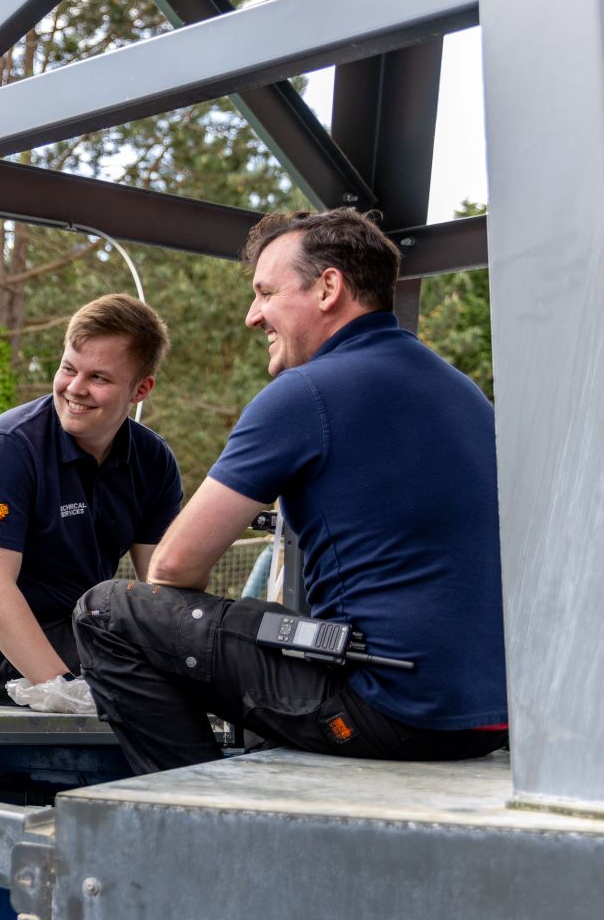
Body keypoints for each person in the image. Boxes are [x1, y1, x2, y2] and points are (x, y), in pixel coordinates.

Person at [73, 208, 508, 776]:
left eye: (265, 293)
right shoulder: (461, 390)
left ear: (329, 287)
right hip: (490, 718)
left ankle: (194, 807)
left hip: (391, 711)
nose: (254, 317)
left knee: (108, 611)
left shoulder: (305, 392)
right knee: (278, 625)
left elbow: (173, 571)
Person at [0, 294, 183, 704]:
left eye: (99, 378)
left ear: (140, 389)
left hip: (82, 630)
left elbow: (162, 582)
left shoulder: (153, 460)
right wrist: (65, 691)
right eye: (69, 369)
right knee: (144, 691)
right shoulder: (8, 448)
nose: (75, 389)